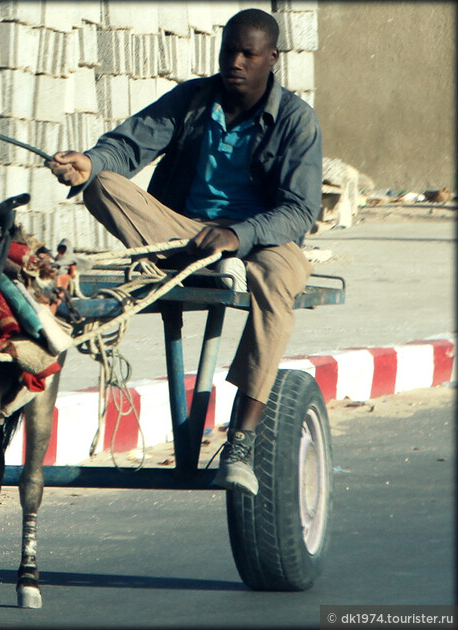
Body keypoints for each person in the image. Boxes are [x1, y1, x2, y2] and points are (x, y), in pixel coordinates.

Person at [46, 8, 322, 495]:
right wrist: (88, 163)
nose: (234, 61)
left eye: (247, 53)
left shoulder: (297, 120)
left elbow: (300, 211)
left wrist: (238, 236)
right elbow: (127, 147)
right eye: (228, 50)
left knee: (279, 280)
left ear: (271, 59)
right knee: (103, 186)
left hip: (263, 240)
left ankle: (242, 435)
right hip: (183, 235)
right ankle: (173, 261)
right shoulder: (192, 100)